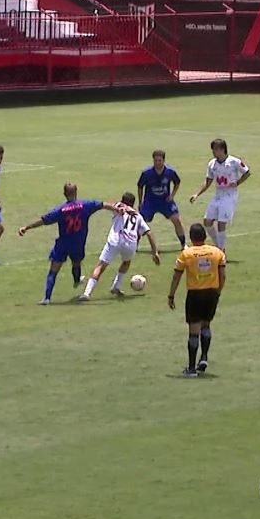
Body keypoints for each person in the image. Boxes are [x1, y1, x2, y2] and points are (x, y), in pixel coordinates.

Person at [17, 183, 132, 305]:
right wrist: (116, 209)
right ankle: (77, 280)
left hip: (63, 243)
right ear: (76, 192)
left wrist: (27, 227)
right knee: (76, 263)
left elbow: (44, 220)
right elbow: (103, 205)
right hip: (78, 243)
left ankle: (46, 298)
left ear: (65, 194)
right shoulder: (85, 205)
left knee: (53, 271)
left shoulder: (60, 210)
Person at [167, 224, 225, 376]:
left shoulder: (186, 254)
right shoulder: (216, 252)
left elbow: (176, 276)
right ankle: (204, 357)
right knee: (206, 326)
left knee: (194, 331)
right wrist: (218, 291)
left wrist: (171, 295)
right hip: (212, 293)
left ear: (191, 238)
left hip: (195, 295)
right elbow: (223, 274)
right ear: (205, 237)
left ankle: (192, 369)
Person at [80, 192, 160, 301]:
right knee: (126, 262)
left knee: (101, 265)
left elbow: (110, 205)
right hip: (131, 243)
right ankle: (116, 287)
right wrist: (154, 252)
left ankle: (86, 293)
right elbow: (149, 233)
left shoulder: (119, 206)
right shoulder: (138, 215)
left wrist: (117, 208)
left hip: (115, 241)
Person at [188, 139, 250, 252]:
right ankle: (218, 245)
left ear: (222, 149)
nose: (213, 152)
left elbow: (247, 172)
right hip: (218, 194)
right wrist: (197, 194)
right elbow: (208, 181)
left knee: (221, 223)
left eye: (216, 149)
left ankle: (221, 251)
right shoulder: (212, 164)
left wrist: (237, 182)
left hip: (229, 195)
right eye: (213, 149)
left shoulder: (234, 161)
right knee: (207, 221)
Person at [136, 149, 186, 249]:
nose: (157, 163)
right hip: (150, 201)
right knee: (140, 221)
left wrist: (172, 195)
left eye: (160, 160)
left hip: (165, 201)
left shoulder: (170, 172)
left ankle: (183, 244)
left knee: (176, 219)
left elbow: (177, 182)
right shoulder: (147, 173)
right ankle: (134, 244)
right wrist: (140, 202)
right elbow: (140, 186)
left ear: (164, 161)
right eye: (155, 161)